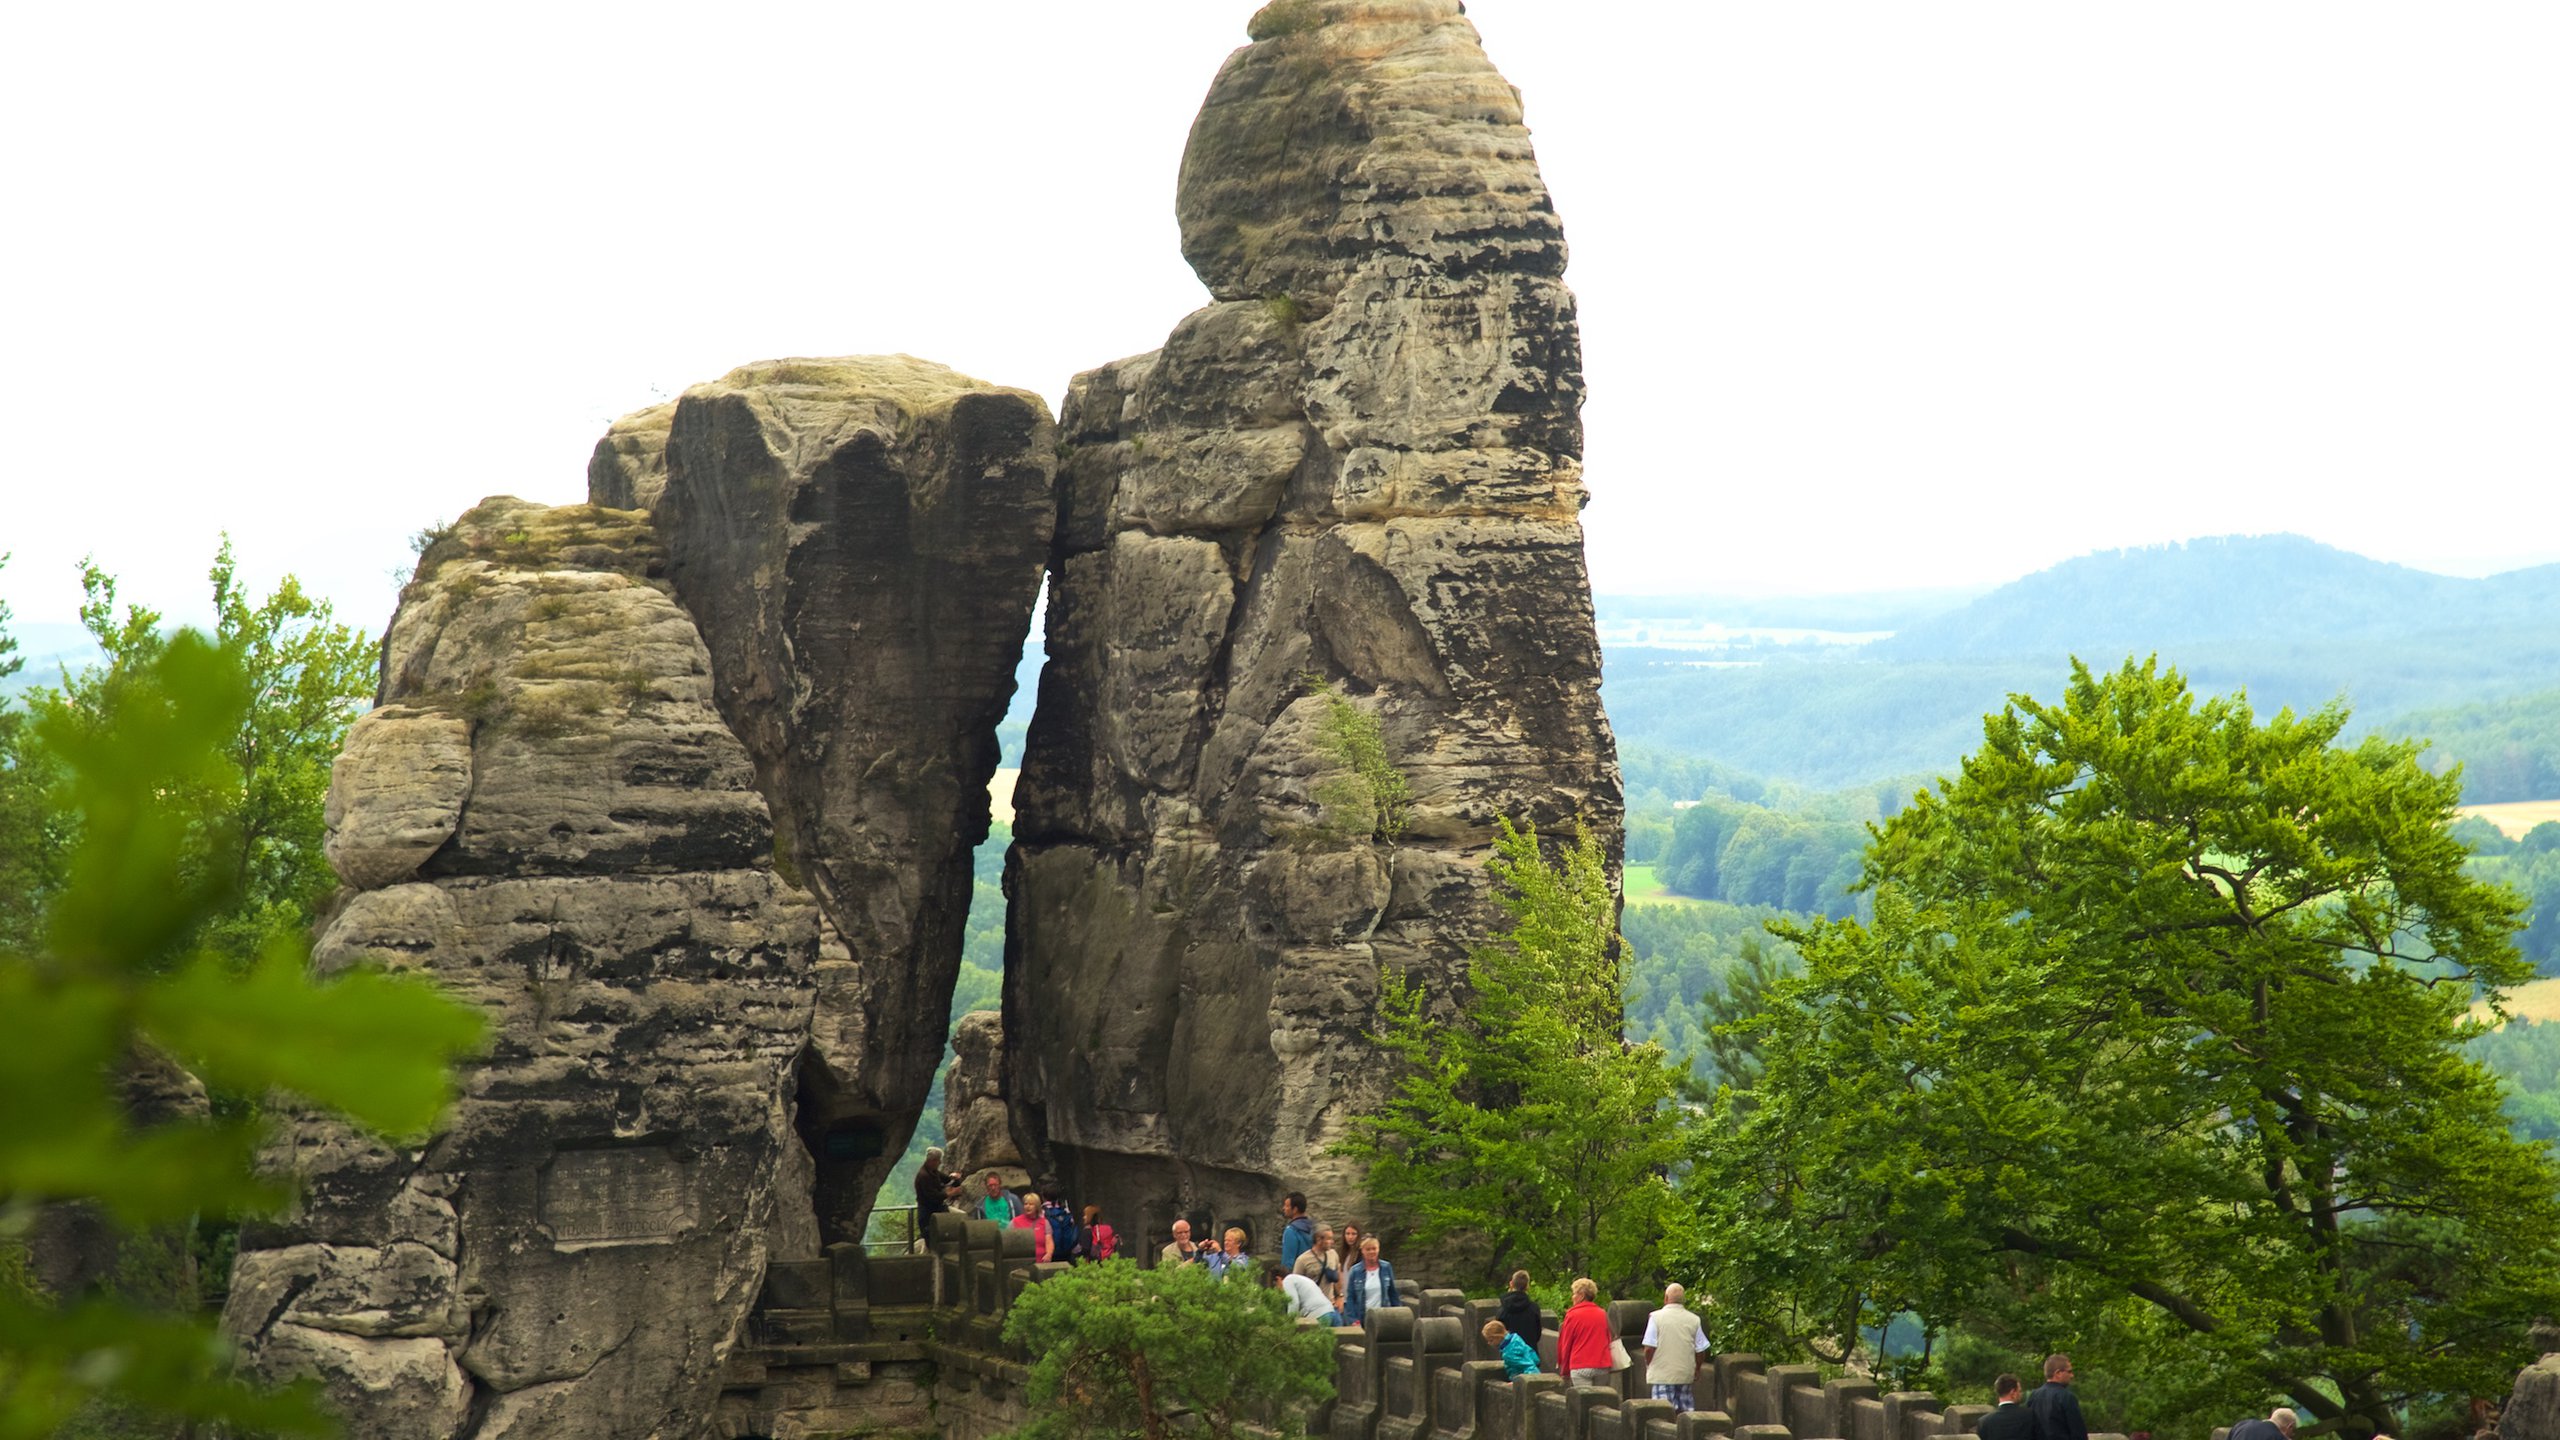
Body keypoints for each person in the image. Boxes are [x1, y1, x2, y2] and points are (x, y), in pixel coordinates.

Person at [1642, 1282, 1710, 1411]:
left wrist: (1649, 1363)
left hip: (1662, 1375)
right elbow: (1700, 1350)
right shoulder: (1694, 1319)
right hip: (1684, 1374)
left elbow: (1649, 1348)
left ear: (1666, 1298)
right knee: (1685, 1415)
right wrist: (1697, 1369)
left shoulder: (1655, 1318)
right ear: (1683, 1300)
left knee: (1663, 1415)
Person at [1556, 1277, 1613, 1389]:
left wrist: (1564, 1370)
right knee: (1600, 1402)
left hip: (1580, 1365)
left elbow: (1566, 1344)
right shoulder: (1602, 1313)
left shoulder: (1572, 1315)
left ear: (1581, 1295)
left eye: (1574, 1294)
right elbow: (1608, 1338)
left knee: (1583, 1401)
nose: (1572, 1297)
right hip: (1602, 1365)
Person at [1338, 1235, 1400, 1325]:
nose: (1371, 1252)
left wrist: (1397, 1313)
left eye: (1374, 1249)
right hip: (1362, 1318)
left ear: (1378, 1249)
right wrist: (1353, 1320)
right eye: (1368, 1249)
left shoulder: (1386, 1267)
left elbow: (1393, 1293)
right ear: (1362, 1251)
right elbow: (1350, 1297)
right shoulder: (1355, 1271)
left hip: (1383, 1317)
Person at [2027, 1354, 2089, 1440]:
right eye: (2069, 1371)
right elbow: (2078, 1433)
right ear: (2058, 1373)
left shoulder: (2033, 1396)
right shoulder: (2066, 1397)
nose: (2072, 1376)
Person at [1271, 1261, 1340, 1325]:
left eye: (1276, 1285)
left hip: (1320, 1315)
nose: (1277, 1289)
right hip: (1333, 1313)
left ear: (1278, 1279)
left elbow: (1293, 1303)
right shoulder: (1301, 1279)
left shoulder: (1287, 1280)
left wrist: (1289, 1324)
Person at [1977, 1374, 2032, 1440]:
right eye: (2019, 1391)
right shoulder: (2029, 1415)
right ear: (2013, 1393)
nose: (2021, 1394)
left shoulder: (1984, 1422)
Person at [1496, 1269, 1542, 1348]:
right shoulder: (1534, 1309)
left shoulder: (1503, 1309)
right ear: (1527, 1287)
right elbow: (1537, 1333)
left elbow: (1499, 1334)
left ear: (1511, 1284)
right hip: (1529, 1354)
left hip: (1510, 1354)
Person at [1279, 1192, 1316, 1273]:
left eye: (1287, 1206)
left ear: (1295, 1209)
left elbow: (1288, 1261)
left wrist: (1284, 1279)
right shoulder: (1314, 1227)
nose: (1284, 1208)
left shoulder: (1291, 1230)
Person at [1012, 1191, 1052, 1263]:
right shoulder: (1015, 1222)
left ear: (1037, 1206)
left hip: (1041, 1262)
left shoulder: (1045, 1222)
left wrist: (1049, 1254)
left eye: (1031, 1204)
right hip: (1022, 1262)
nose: (1028, 1206)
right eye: (1025, 1204)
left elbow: (1049, 1241)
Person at [1043, 1193, 1079, 1263]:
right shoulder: (1066, 1211)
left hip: (1051, 1252)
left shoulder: (1043, 1212)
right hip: (1067, 1250)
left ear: (1043, 1197)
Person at [914, 1147, 949, 1217]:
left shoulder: (934, 1172)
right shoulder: (924, 1176)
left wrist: (953, 1178)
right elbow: (933, 1196)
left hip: (936, 1210)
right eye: (938, 1160)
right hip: (927, 1212)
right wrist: (949, 1193)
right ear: (932, 1161)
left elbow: (946, 1179)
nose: (940, 1163)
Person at [2228, 1410, 2297, 1440]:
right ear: (2290, 1426)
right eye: (2293, 1431)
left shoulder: (2242, 1425)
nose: (2292, 1435)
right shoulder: (2277, 1437)